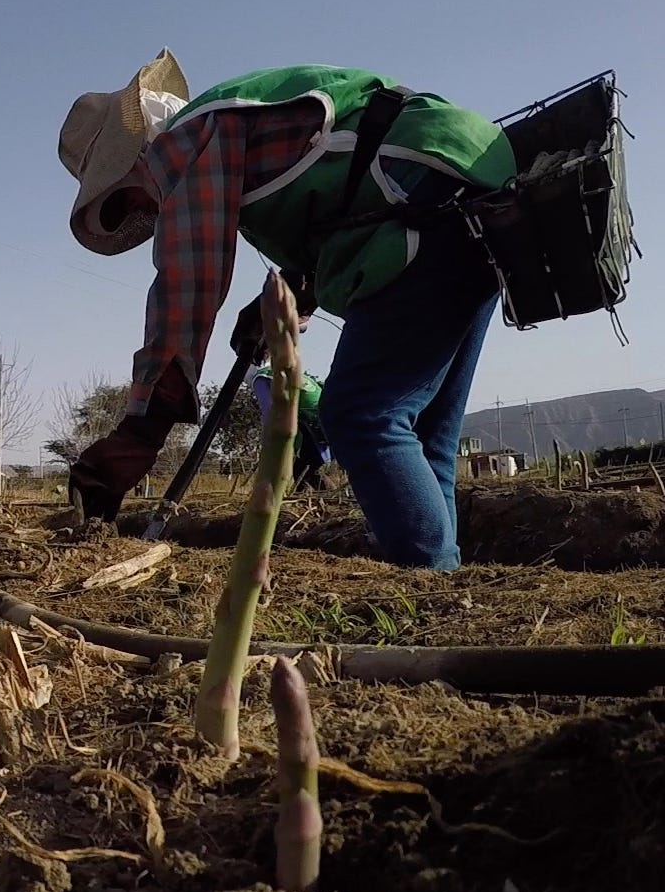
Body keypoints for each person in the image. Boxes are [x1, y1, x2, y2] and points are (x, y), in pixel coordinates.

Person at [58, 52, 513, 572]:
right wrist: (284, 299)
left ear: (134, 156)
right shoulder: (238, 119)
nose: (143, 211)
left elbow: (187, 292)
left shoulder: (183, 143)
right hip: (474, 192)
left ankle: (431, 586)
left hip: (421, 200)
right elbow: (336, 188)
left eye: (126, 197)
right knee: (424, 428)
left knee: (362, 415)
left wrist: (138, 434)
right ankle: (447, 585)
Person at [250, 365, 330, 492]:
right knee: (307, 469)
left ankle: (322, 502)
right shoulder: (282, 370)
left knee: (302, 470)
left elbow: (270, 412)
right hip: (326, 420)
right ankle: (327, 500)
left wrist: (269, 445)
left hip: (310, 424)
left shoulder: (259, 379)